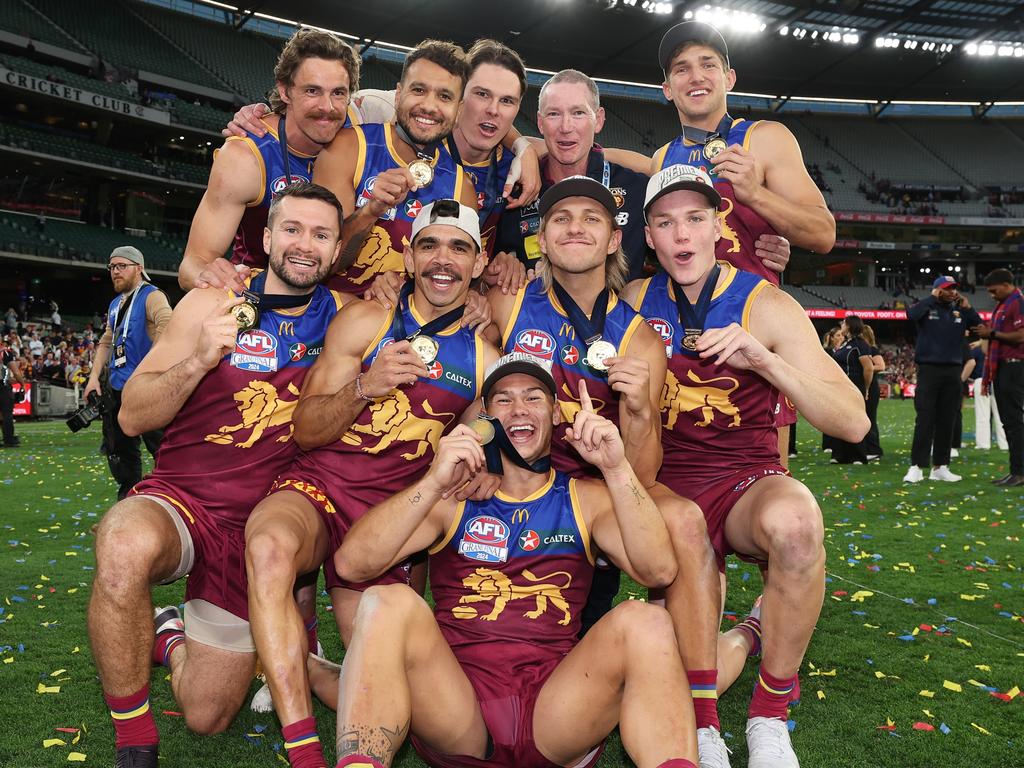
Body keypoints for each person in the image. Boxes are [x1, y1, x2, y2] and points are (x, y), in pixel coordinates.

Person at [332, 352, 698, 768]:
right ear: (484, 419)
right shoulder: (455, 495)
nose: (519, 409)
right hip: (458, 709)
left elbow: (659, 571)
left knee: (646, 620)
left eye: (533, 397)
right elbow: (352, 565)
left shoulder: (586, 497)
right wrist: (433, 481)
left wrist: (616, 471)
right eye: (503, 400)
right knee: (386, 601)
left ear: (557, 413)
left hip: (557, 710)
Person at [87, 183, 346, 768]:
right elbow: (132, 415)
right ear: (267, 236)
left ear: (336, 252)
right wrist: (200, 359)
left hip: (255, 533)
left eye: (321, 234)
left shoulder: (347, 325)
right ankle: (134, 742)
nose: (304, 245)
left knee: (206, 716)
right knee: (123, 545)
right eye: (292, 229)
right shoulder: (211, 302)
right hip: (180, 501)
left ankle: (169, 635)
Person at [622, 164, 868, 768]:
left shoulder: (767, 304)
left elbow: (855, 423)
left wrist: (766, 361)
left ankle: (770, 714)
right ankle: (709, 716)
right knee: (677, 671)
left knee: (798, 525)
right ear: (649, 237)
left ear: (717, 225)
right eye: (665, 222)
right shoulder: (630, 301)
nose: (681, 236)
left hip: (744, 479)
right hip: (664, 484)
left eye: (695, 219)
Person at [240, 199, 497, 768]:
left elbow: (479, 448)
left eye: (459, 247)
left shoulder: (484, 357)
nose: (442, 260)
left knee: (388, 674)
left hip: (389, 519)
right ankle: (303, 745)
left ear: (478, 265)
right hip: (321, 486)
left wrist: (484, 464)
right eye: (429, 244)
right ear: (408, 254)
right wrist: (365, 386)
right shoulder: (363, 319)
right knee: (268, 547)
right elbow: (306, 430)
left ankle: (295, 664)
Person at [488, 176, 724, 763]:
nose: (575, 227)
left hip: (598, 493)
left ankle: (703, 717)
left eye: (591, 218)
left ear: (615, 239)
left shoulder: (643, 339)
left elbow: (641, 478)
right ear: (541, 237)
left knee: (685, 523)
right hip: (517, 487)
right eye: (561, 217)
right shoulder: (505, 301)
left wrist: (640, 411)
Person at [178, 28, 361, 292]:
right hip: (263, 306)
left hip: (336, 302)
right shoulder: (247, 157)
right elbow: (193, 264)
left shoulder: (361, 132)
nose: (327, 107)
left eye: (338, 93)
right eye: (312, 91)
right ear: (285, 91)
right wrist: (210, 275)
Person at [313, 39, 483, 295]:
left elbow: (456, 285)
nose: (429, 105)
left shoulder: (462, 188)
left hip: (405, 329)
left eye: (444, 96)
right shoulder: (348, 149)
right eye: (418, 90)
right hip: (329, 316)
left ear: (458, 111)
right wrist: (370, 211)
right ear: (398, 94)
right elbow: (321, 265)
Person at [493, 69, 652, 279]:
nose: (566, 127)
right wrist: (498, 269)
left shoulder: (638, 188)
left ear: (599, 119)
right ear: (540, 123)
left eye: (578, 113)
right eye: (553, 114)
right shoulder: (513, 191)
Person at [83, 246, 172, 499]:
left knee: (161, 448)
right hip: (117, 387)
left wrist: (150, 369)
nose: (116, 272)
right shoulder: (115, 303)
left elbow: (168, 325)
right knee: (120, 450)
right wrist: (93, 379)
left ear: (139, 268)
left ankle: (173, 499)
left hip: (147, 388)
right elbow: (107, 341)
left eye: (122, 266)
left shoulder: (151, 296)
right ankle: (128, 499)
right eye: (112, 267)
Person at [903, 275, 981, 483]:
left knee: (948, 419)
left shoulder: (960, 310)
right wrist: (931, 299)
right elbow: (911, 315)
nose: (952, 292)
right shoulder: (927, 307)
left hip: (953, 370)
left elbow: (979, 325)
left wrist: (969, 307)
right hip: (929, 370)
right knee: (925, 418)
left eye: (954, 288)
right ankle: (916, 466)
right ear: (937, 290)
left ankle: (940, 466)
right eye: (947, 288)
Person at [972, 268, 1024, 486]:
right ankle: (1016, 470)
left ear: (1006, 284)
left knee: (1014, 421)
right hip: (1003, 367)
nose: (992, 295)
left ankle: (1020, 472)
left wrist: (992, 334)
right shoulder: (1003, 305)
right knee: (1008, 422)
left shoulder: (1018, 302)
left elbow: (1022, 335)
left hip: (1014, 366)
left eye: (994, 290)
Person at [828, 316, 872, 464]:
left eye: (844, 323)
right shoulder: (846, 343)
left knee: (854, 419)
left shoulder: (860, 344)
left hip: (854, 386)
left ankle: (858, 455)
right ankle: (840, 454)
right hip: (840, 387)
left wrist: (865, 388)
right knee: (838, 418)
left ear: (850, 326)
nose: (842, 325)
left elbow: (868, 368)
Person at [969, 339, 1007, 451]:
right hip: (997, 381)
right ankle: (1004, 443)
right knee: (1000, 415)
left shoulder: (977, 349)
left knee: (982, 415)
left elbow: (970, 363)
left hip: (981, 379)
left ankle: (983, 444)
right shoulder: (1000, 348)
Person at [861, 324, 885, 460]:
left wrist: (865, 368)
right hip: (865, 385)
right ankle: (867, 447)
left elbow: (881, 366)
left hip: (870, 387)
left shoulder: (872, 349)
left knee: (870, 418)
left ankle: (874, 448)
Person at [1, 337, 26, 447]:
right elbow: (15, 372)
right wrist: (22, 383)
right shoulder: (5, 352)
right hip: (2, 387)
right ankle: (9, 439)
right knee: (7, 413)